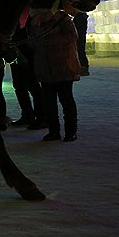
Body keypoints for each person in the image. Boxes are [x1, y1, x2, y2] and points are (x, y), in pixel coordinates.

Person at [29, 9, 81, 142]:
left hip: (63, 65)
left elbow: (73, 35)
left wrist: (49, 39)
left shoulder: (62, 18)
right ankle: (53, 131)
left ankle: (71, 132)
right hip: (44, 67)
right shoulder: (35, 22)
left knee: (66, 99)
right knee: (49, 103)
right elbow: (32, 42)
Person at [10, 24, 42, 127]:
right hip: (16, 51)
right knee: (19, 86)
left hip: (26, 52)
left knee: (32, 85)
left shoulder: (27, 17)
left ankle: (41, 117)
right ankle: (28, 115)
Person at [73, 12, 90, 76]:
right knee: (80, 51)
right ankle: (83, 67)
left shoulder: (79, 18)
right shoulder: (81, 17)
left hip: (78, 37)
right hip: (80, 37)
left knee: (80, 51)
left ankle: (83, 68)